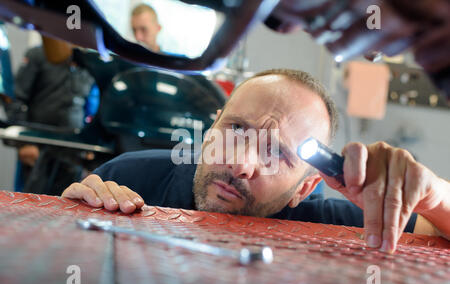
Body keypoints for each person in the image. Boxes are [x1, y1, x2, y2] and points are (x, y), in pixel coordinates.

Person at [61, 69, 450, 254]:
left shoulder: (328, 226)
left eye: (278, 153)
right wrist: (67, 217)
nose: (242, 163)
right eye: (235, 130)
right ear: (212, 127)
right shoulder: (130, 177)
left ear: (305, 187)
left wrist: (431, 193)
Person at [9, 36, 96, 194]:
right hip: (38, 148)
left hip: (74, 152)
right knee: (30, 204)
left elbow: (91, 107)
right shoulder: (38, 55)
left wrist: (92, 142)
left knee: (69, 206)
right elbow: (17, 98)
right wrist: (23, 143)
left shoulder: (89, 63)